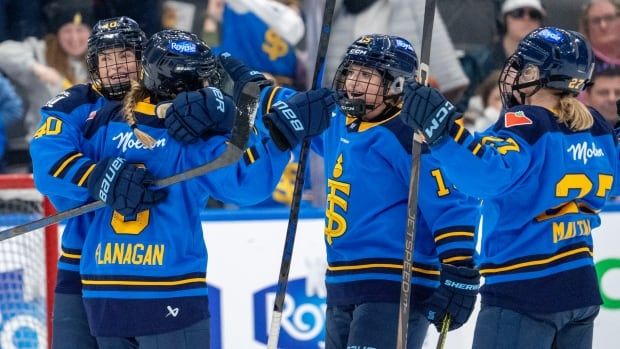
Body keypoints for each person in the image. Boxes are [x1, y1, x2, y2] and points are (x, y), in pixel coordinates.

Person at [72, 29, 334, 348]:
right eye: (202, 80)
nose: (208, 86)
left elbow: (57, 173)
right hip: (167, 291)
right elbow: (244, 184)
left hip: (103, 292)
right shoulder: (191, 135)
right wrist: (280, 133)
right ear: (181, 83)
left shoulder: (102, 121)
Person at [232, 33, 480, 349]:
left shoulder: (410, 135)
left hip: (395, 284)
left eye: (366, 75)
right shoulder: (340, 119)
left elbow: (451, 205)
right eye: (351, 72)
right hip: (342, 283)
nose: (353, 82)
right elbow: (295, 110)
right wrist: (251, 85)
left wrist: (459, 268)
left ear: (396, 84)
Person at [400, 27, 617, 349]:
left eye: (520, 67)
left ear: (535, 74)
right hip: (581, 288)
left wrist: (441, 130)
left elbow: (485, 175)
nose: (512, 74)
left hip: (526, 289)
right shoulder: (596, 127)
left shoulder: (525, 122)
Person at [30, 16, 147, 348]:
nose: (116, 66)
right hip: (80, 262)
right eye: (106, 58)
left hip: (150, 266)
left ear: (142, 58)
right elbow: (47, 162)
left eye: (124, 55)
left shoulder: (166, 107)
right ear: (94, 63)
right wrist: (98, 178)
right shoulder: (74, 104)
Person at [0, 0, 94, 151]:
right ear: (57, 33)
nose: (75, 38)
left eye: (80, 30)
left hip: (87, 149)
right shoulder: (41, 52)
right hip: (45, 147)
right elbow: (3, 52)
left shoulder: (101, 59)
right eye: (68, 31)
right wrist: (35, 67)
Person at [579, 0, 620, 71]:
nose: (603, 26)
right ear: (587, 28)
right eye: (596, 21)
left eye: (609, 18)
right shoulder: (581, 65)